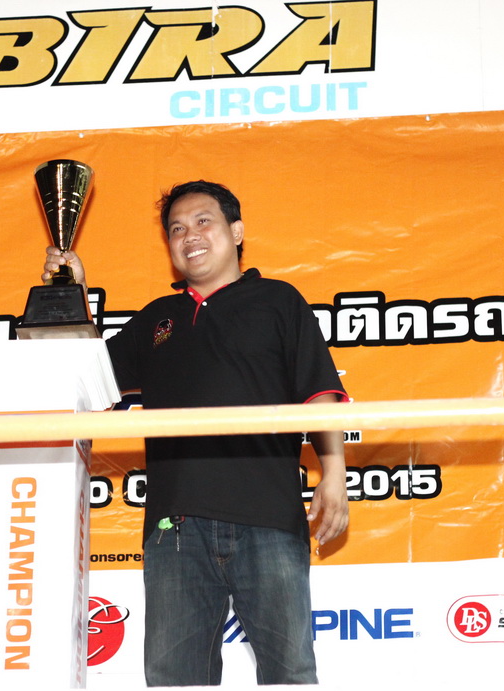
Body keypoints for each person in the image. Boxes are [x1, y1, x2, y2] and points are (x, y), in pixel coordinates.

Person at [42, 180, 348, 687]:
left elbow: (318, 392)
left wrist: (334, 473)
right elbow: (85, 378)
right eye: (177, 229)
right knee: (174, 680)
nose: (190, 236)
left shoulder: (278, 300)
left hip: (269, 520)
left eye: (204, 221)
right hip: (175, 528)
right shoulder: (157, 319)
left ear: (237, 231)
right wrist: (71, 295)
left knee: (291, 675)